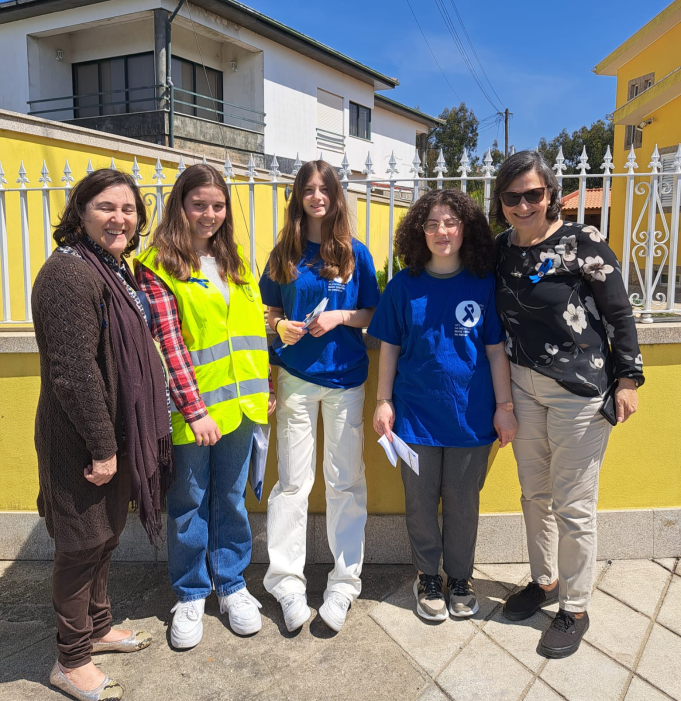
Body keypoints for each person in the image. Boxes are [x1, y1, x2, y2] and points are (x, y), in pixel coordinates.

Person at [493, 150, 644, 658]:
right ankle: (545, 580)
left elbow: (620, 314)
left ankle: (575, 607)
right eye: (512, 196)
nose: (523, 205)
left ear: (551, 194)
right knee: (533, 493)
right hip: (522, 386)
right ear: (502, 201)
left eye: (533, 194)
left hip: (579, 391)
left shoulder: (584, 242)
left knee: (573, 504)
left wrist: (628, 379)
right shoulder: (500, 250)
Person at [32, 168, 172, 701]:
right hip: (83, 442)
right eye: (106, 207)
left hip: (114, 435)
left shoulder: (113, 269)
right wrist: (103, 447)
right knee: (79, 544)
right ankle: (70, 660)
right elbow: (74, 373)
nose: (120, 218)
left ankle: (98, 626)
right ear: (81, 211)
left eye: (129, 209)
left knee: (105, 535)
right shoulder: (69, 275)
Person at [136, 164, 274, 647]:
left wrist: (266, 384)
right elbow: (167, 343)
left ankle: (232, 584)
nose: (209, 214)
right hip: (191, 411)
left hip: (242, 406)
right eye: (199, 204)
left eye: (217, 205)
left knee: (231, 498)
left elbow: (248, 330)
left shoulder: (232, 260)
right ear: (180, 205)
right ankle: (191, 592)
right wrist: (194, 410)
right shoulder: (158, 264)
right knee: (189, 501)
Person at [369, 189, 517, 622]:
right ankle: (427, 576)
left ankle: (460, 578)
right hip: (413, 418)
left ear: (465, 228)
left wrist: (504, 406)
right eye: (431, 224)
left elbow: (494, 351)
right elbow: (390, 349)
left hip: (470, 419)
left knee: (462, 502)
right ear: (420, 232)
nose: (441, 231)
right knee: (418, 502)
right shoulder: (402, 286)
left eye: (450, 222)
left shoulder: (483, 284)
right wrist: (383, 401)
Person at [259, 159, 380, 633]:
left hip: (347, 380)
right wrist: (279, 325)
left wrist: (339, 318)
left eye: (324, 188)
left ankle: (344, 583)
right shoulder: (283, 252)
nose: (316, 196)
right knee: (293, 482)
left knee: (345, 480)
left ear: (335, 196)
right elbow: (266, 311)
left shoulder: (356, 254)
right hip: (294, 379)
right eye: (308, 189)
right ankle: (286, 583)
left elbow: (371, 312)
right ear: (298, 197)